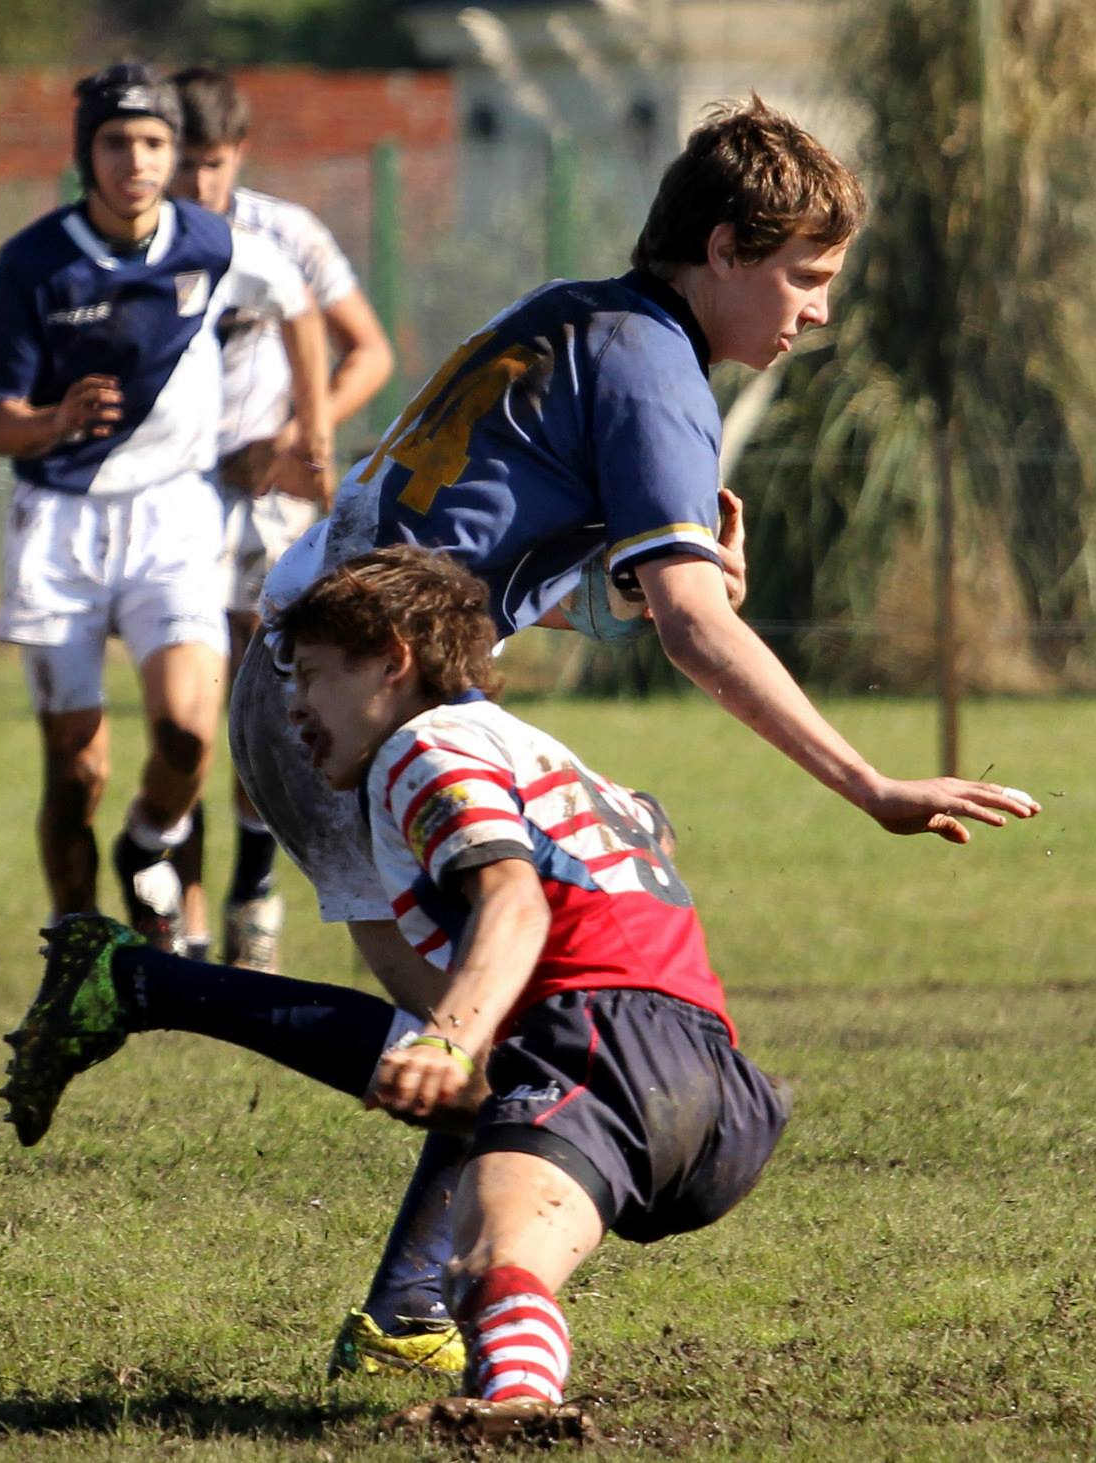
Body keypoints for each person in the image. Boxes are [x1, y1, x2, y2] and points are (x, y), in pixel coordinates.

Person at [222, 98, 1042, 1371]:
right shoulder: (656, 364)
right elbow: (695, 631)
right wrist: (867, 780)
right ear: (722, 250)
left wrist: (647, 585)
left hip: (313, 672)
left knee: (492, 1029)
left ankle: (398, 1305)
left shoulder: (571, 315)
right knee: (513, 1024)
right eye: (804, 276)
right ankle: (390, 1287)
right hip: (365, 695)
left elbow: (495, 551)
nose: (818, 311)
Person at [2, 547, 948, 1431]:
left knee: (484, 1235)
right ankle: (515, 1402)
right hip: (707, 1085)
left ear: (393, 660)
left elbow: (514, 901)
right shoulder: (522, 745)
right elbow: (642, 832)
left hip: (598, 1042)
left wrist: (450, 1034)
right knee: (498, 1253)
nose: (294, 706)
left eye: (312, 674)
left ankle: (137, 982)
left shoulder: (425, 750)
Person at [0, 63, 250, 952]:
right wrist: (55, 419)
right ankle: (75, 942)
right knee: (76, 768)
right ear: (84, 153)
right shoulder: (33, 262)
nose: (137, 160)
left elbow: (307, 308)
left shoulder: (212, 243)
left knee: (188, 732)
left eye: (154, 142)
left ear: (176, 152)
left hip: (174, 516)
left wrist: (302, 423)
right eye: (117, 142)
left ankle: (148, 840)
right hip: (60, 522)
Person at [164, 64, 394, 974]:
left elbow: (367, 351)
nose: (195, 182)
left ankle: (252, 893)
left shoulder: (286, 234)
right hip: (169, 506)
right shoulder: (129, 242)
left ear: (239, 154)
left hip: (271, 507)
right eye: (182, 161)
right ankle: (180, 916)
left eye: (212, 162)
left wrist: (297, 435)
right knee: (185, 716)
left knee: (264, 704)